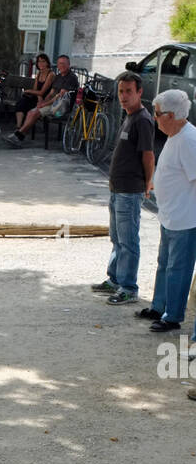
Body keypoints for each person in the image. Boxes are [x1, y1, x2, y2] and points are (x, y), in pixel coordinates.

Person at [90, 72, 155, 305]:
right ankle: (115, 279)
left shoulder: (143, 120)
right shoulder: (128, 116)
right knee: (117, 237)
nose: (124, 96)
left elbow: (148, 155)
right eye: (121, 91)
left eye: (129, 91)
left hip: (130, 190)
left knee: (128, 241)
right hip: (117, 188)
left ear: (139, 92)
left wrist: (148, 182)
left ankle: (129, 287)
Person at [137, 88, 196, 341]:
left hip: (185, 219)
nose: (155, 117)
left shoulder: (189, 140)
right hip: (171, 215)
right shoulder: (176, 134)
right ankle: (159, 307)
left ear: (171, 115)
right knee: (165, 265)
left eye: (158, 114)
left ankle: (172, 316)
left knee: (178, 269)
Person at [4, 54, 78, 145]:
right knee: (31, 112)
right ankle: (20, 136)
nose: (61, 66)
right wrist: (43, 102)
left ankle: (18, 135)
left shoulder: (71, 78)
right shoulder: (58, 77)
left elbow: (59, 96)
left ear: (68, 65)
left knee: (34, 112)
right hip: (53, 104)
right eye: (59, 63)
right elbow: (51, 93)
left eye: (63, 63)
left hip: (61, 107)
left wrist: (44, 104)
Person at [13, 53, 53, 130]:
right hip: (38, 97)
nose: (41, 63)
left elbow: (42, 92)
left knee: (27, 102)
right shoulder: (39, 73)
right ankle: (18, 126)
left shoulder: (51, 74)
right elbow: (35, 90)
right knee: (21, 102)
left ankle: (23, 127)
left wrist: (29, 90)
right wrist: (37, 96)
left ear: (47, 62)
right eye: (39, 61)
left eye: (43, 61)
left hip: (46, 99)